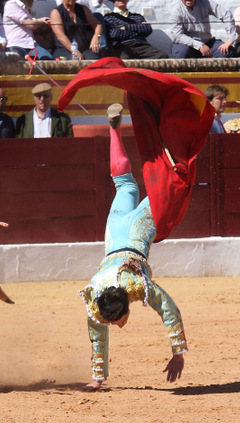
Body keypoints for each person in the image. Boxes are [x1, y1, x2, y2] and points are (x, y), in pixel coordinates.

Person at [77, 103, 187, 392]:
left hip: (137, 232)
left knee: (169, 185)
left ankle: (168, 133)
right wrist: (97, 377)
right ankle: (114, 128)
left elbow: (168, 309)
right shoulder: (95, 296)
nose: (118, 325)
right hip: (113, 235)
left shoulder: (137, 286)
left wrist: (178, 353)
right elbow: (99, 330)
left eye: (119, 320)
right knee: (123, 184)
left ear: (128, 302)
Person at [169, 0, 237, 59]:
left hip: (208, 44)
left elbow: (226, 15)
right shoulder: (176, 11)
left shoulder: (205, 2)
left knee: (229, 52)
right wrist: (199, 46)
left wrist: (230, 39)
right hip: (187, 46)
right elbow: (178, 35)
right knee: (181, 54)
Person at [104, 0, 168, 59]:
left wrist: (125, 27)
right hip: (122, 46)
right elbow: (114, 34)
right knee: (123, 62)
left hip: (141, 45)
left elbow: (147, 29)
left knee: (162, 56)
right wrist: (137, 27)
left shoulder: (137, 16)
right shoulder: (109, 17)